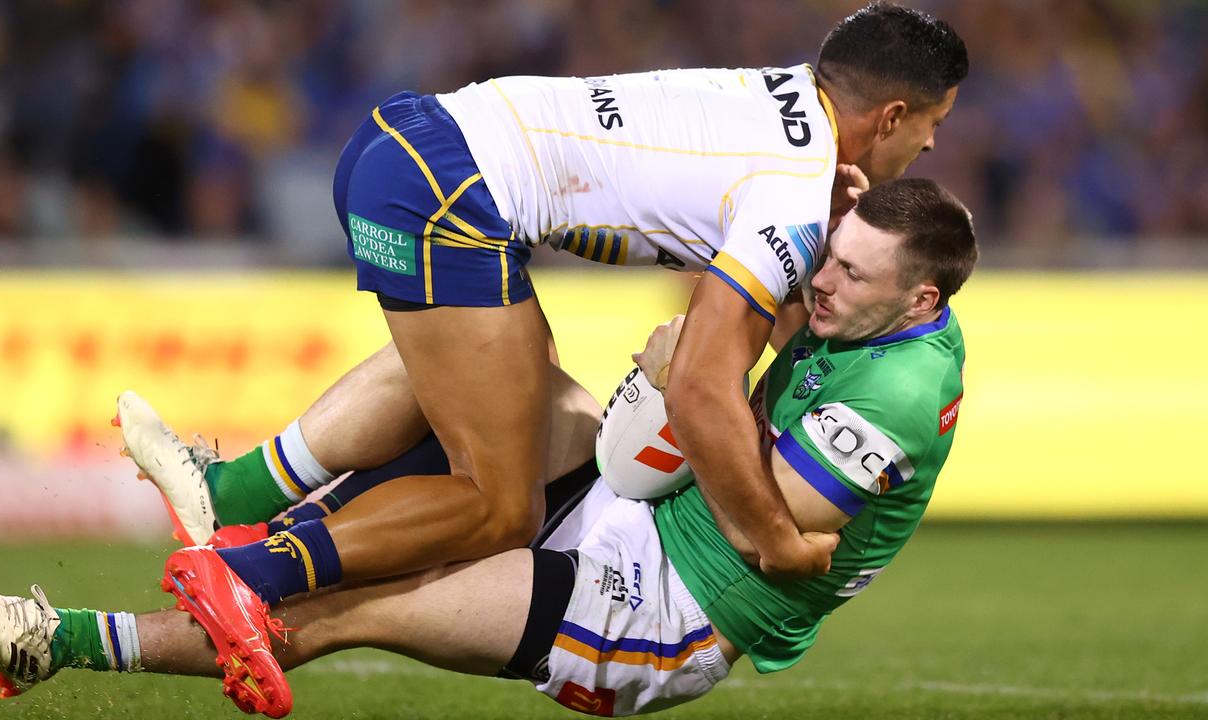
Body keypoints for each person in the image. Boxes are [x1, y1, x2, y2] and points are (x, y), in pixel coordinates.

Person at [112, 1, 968, 708]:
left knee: (502, 375)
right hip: (456, 193)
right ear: (891, 116)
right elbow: (703, 389)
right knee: (498, 506)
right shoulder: (792, 194)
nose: (926, 148)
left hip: (405, 137)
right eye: (929, 126)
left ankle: (233, 495)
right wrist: (775, 539)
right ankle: (244, 572)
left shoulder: (776, 106)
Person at [0, 178, 978, 717]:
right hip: (647, 505)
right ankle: (230, 493)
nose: (823, 282)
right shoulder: (855, 302)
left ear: (918, 299)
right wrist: (689, 388)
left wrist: (682, 395)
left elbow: (776, 526)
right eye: (829, 258)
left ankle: (61, 643)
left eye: (849, 275)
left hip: (667, 612)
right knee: (482, 358)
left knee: (358, 600)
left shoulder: (895, 389)